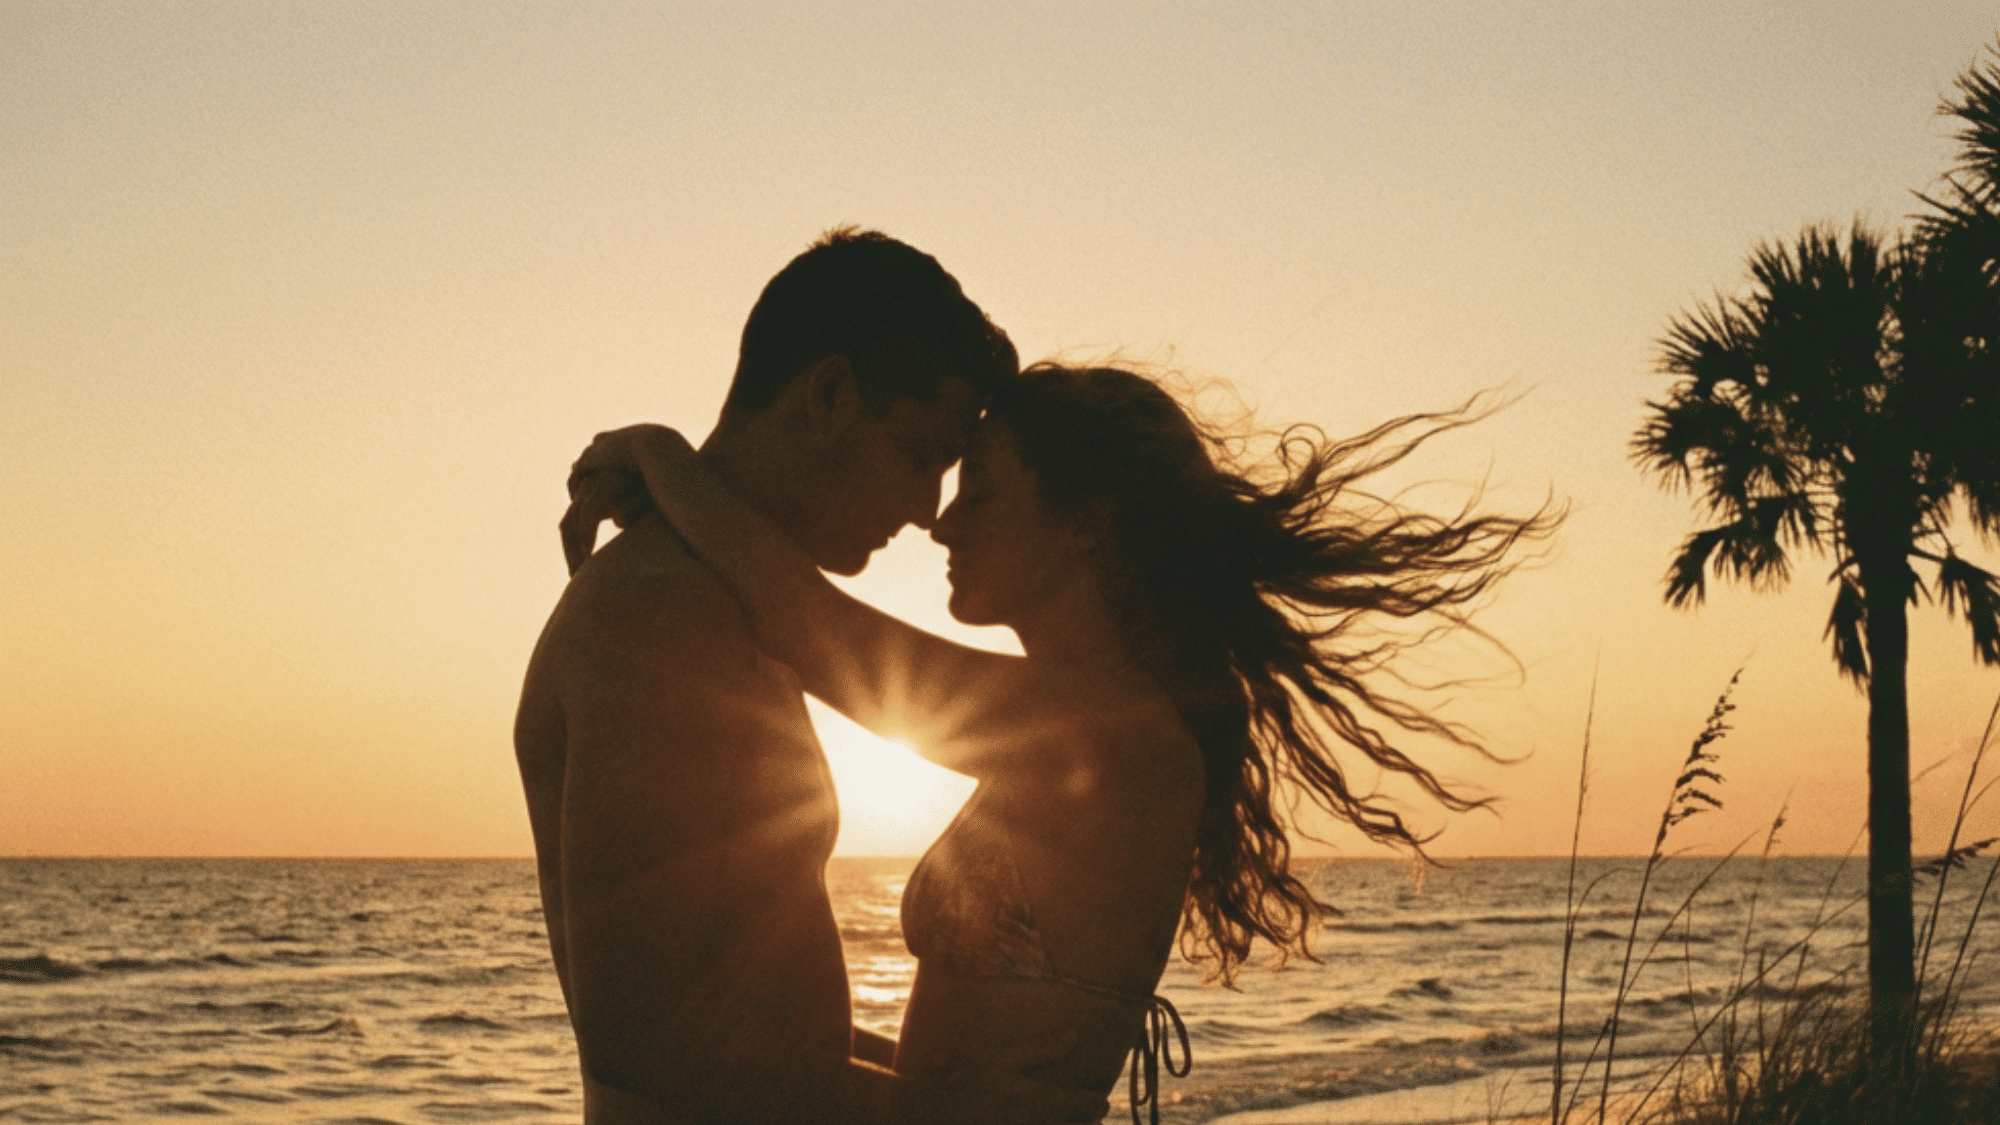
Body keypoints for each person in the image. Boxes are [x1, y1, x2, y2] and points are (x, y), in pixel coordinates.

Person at [566, 362, 1561, 1123]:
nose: (941, 525)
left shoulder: (1115, 738)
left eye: (984, 492)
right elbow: (957, 1083)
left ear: (1085, 524)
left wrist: (662, 456)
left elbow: (816, 634)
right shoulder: (1074, 728)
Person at [516, 229, 1105, 1125]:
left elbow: (752, 1030)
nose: (922, 511)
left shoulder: (726, 607)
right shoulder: (663, 620)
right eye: (917, 455)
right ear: (831, 394)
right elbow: (662, 1058)